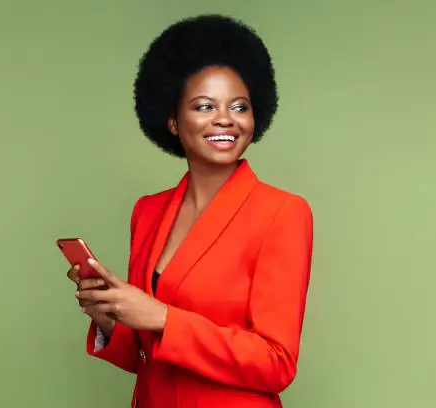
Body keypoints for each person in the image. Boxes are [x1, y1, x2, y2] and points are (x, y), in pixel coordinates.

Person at [67, 14, 314, 408]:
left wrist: (163, 317)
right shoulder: (147, 212)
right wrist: (109, 316)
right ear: (172, 120)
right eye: (204, 105)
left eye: (239, 106)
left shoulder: (282, 212)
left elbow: (276, 363)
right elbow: (148, 356)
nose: (225, 119)